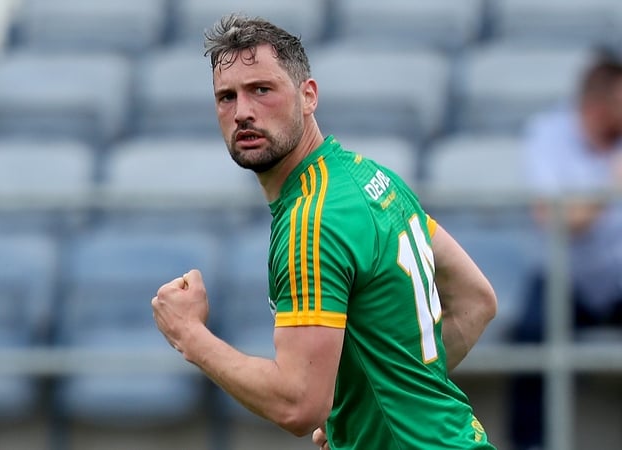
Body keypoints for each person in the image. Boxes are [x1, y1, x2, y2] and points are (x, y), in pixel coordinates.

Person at [151, 14, 498, 449]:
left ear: (308, 95)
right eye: (226, 97)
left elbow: (297, 405)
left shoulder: (312, 221)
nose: (243, 112)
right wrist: (362, 414)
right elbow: (476, 301)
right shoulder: (370, 177)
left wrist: (190, 336)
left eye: (262, 89)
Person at [510, 54, 622, 450]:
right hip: (565, 277)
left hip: (617, 277)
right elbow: (553, 216)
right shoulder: (550, 134)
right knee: (531, 336)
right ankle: (530, 445)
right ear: (597, 104)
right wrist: (608, 188)